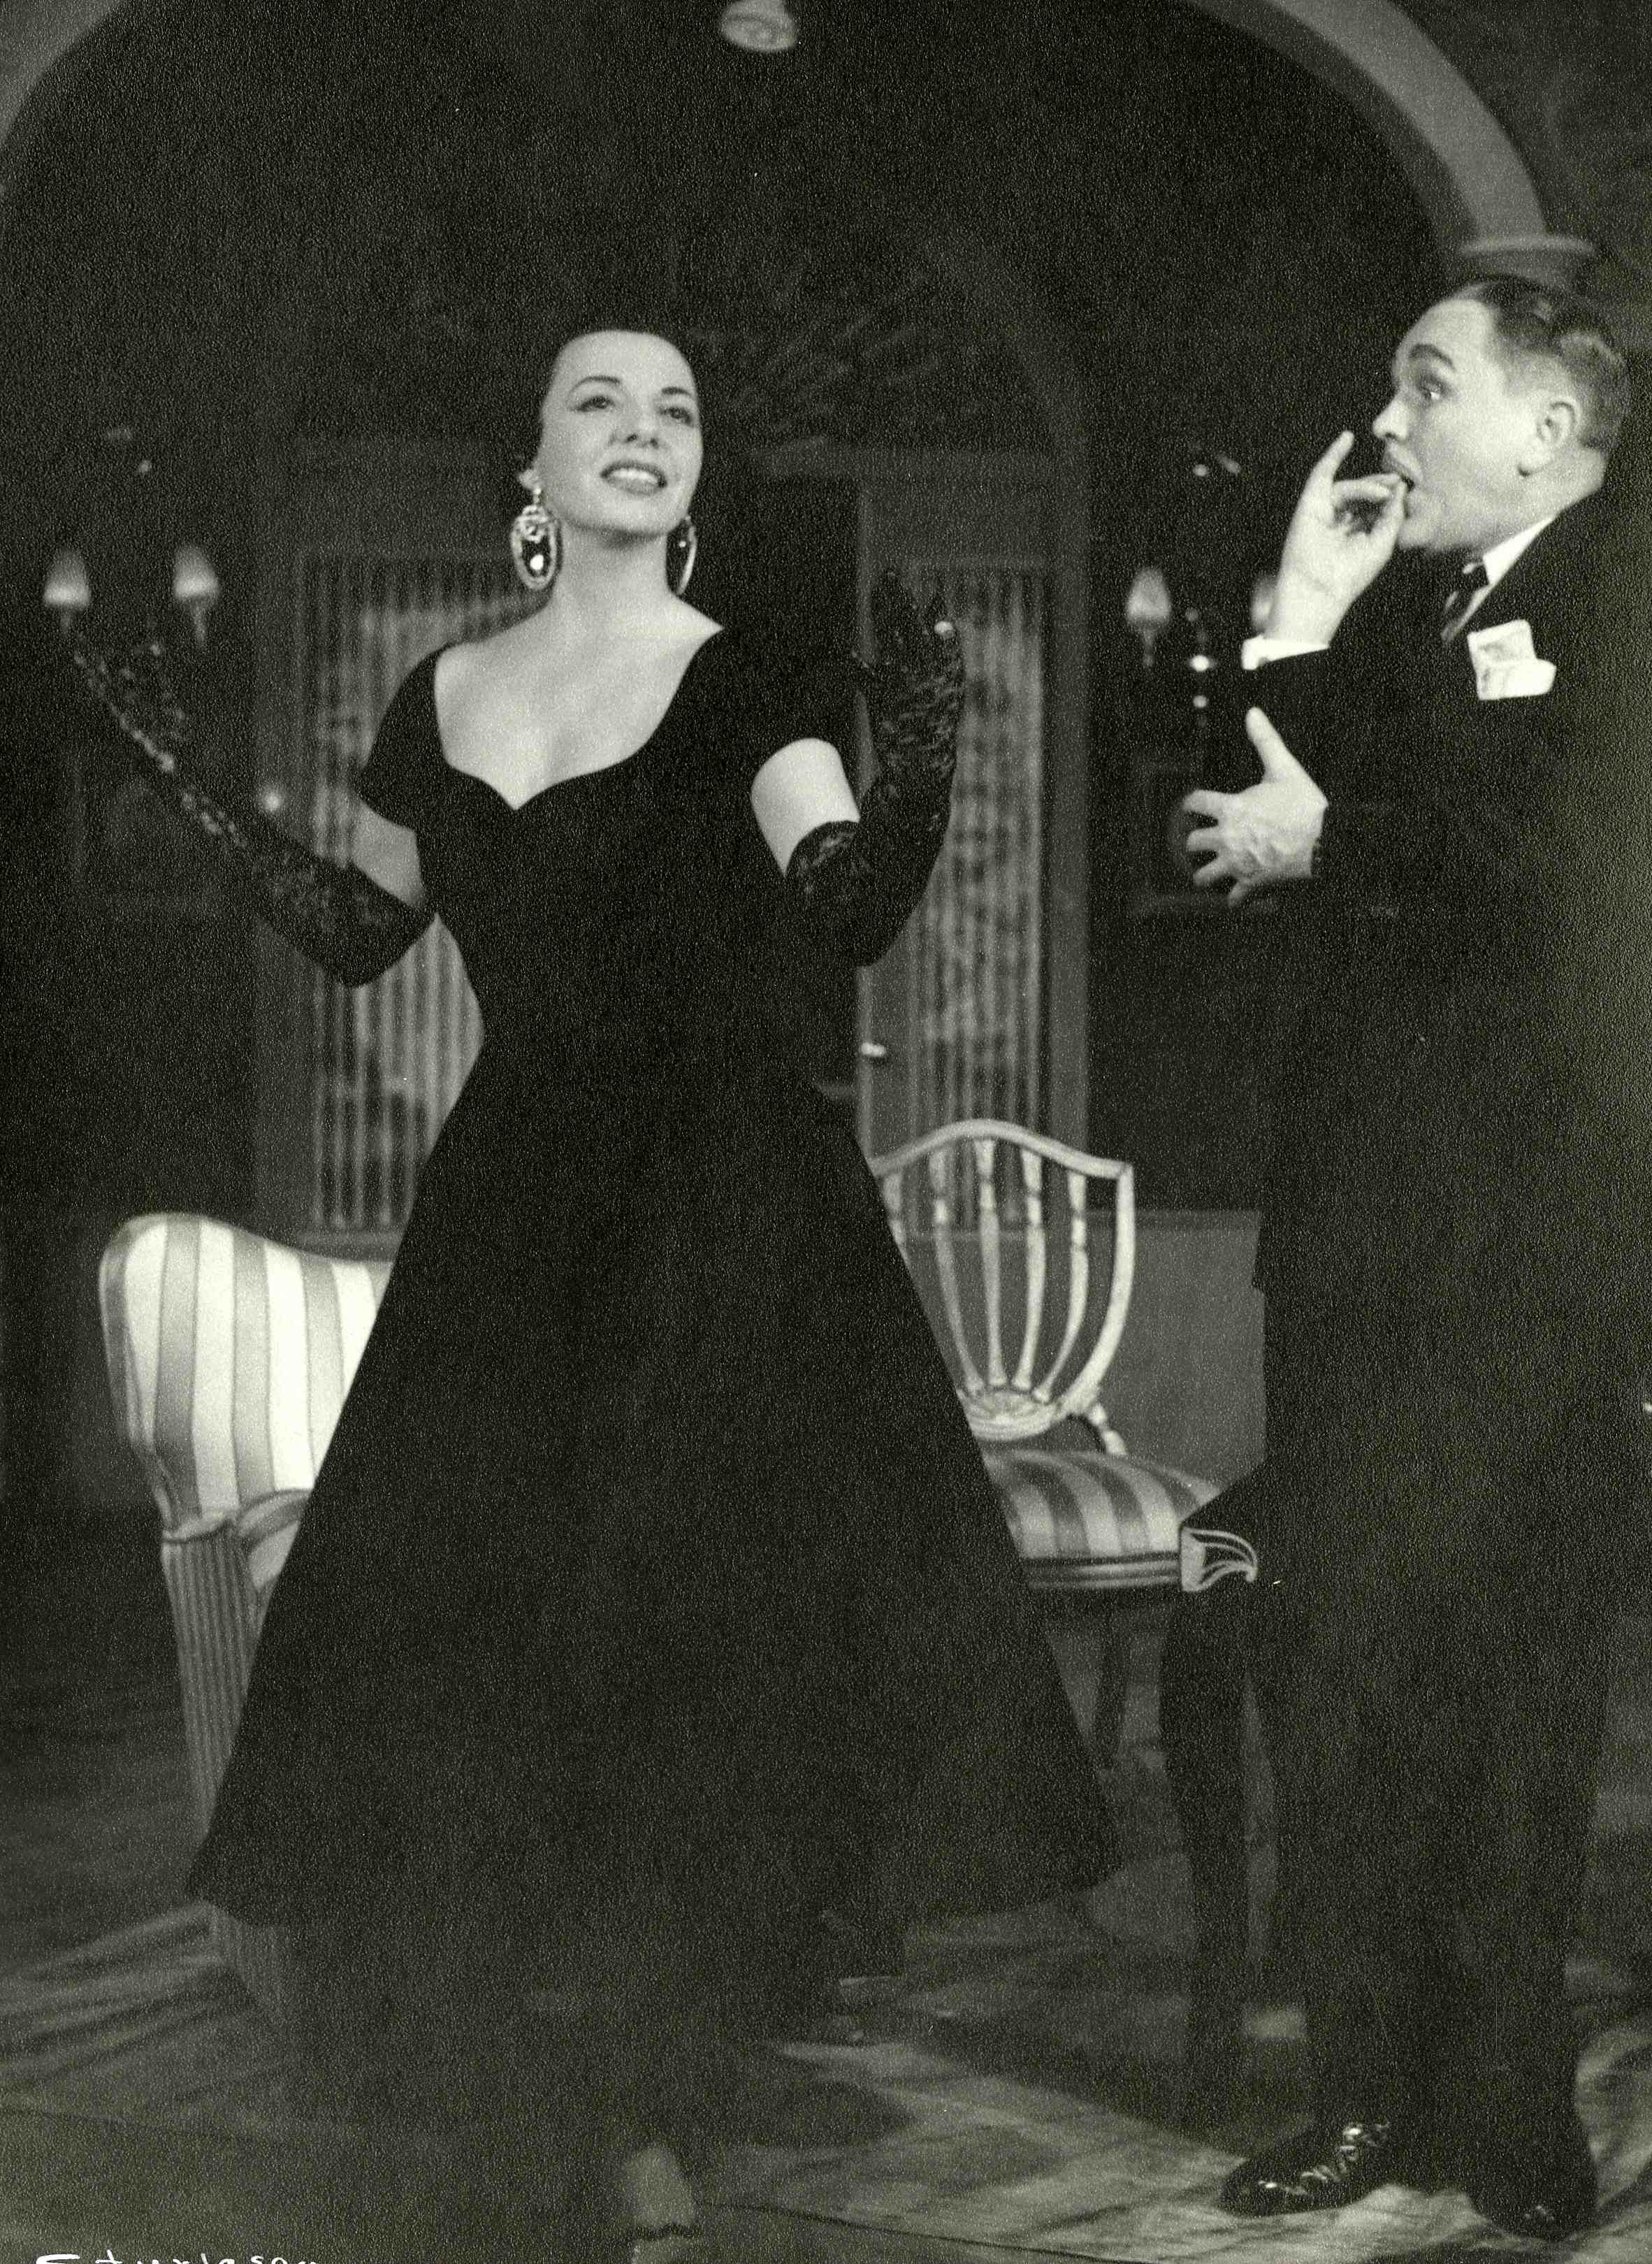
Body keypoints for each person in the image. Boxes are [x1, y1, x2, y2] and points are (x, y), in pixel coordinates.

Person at [67, 319, 1117, 2260]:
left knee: (669, 1644)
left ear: (695, 475)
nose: (644, 432)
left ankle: (641, 2100)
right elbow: (363, 929)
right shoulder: (442, 689)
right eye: (600, 405)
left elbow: (850, 909)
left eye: (676, 411)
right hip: (519, 1212)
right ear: (533, 469)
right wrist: (181, 784)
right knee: (494, 1640)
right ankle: (533, 2081)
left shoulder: (748, 681)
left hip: (725, 1209)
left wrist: (928, 754)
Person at [1158, 276, 1652, 2241]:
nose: (1388, 422)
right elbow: (1301, 830)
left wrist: (1328, 812)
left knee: (1514, 1679)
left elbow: (1560, 874)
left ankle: (1509, 2108)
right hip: (1356, 1233)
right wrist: (1296, 643)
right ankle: (1367, 2097)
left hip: (1533, 1252)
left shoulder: (1648, 610)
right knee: (1344, 1666)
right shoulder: (1408, 618)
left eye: (1428, 384)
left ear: (1551, 431)